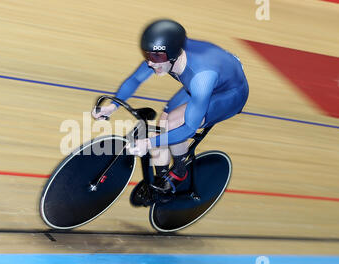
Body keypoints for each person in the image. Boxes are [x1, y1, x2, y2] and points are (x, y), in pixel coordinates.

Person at [92, 19, 249, 194]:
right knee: (163, 122)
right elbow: (136, 79)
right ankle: (162, 177)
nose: (150, 63)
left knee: (175, 123)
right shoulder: (164, 55)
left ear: (173, 55)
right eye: (147, 55)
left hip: (230, 94)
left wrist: (148, 143)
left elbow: (189, 129)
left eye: (155, 57)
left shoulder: (201, 78)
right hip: (210, 77)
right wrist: (112, 107)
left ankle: (180, 172)